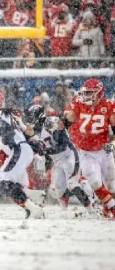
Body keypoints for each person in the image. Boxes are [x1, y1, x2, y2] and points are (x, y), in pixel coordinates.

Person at [0, 91, 45, 219]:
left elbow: (7, 134)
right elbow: (26, 131)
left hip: (17, 149)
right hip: (20, 149)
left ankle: (34, 208)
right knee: (2, 185)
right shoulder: (10, 114)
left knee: (5, 183)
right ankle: (33, 199)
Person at [64, 78, 115, 218]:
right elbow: (67, 120)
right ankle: (113, 208)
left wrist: (113, 144)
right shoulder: (78, 103)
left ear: (99, 93)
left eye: (90, 93)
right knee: (95, 182)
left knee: (111, 186)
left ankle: (107, 208)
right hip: (86, 151)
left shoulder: (109, 105)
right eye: (85, 93)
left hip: (104, 150)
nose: (86, 96)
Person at [34, 113, 96, 215]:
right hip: (57, 161)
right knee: (56, 191)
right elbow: (39, 143)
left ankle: (90, 207)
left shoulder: (59, 130)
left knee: (72, 183)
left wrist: (45, 151)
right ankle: (83, 190)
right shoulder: (40, 128)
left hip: (69, 156)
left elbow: (62, 147)